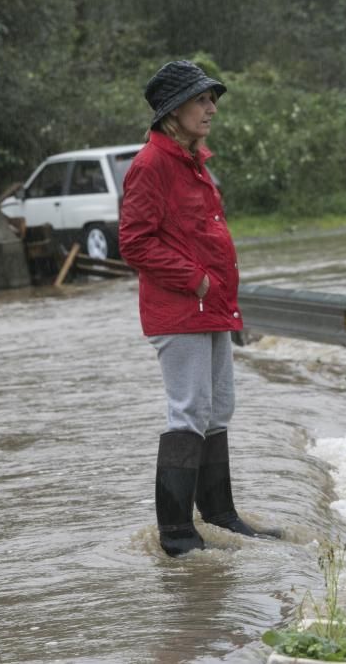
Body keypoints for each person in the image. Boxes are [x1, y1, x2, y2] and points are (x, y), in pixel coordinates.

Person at [119, 60, 276, 557]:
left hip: (212, 307)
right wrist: (197, 279)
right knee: (188, 412)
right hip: (180, 309)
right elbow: (134, 243)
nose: (211, 108)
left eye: (212, 99)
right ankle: (177, 535)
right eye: (201, 100)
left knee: (217, 410)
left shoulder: (194, 160)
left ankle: (220, 516)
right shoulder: (151, 164)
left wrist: (218, 289)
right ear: (173, 111)